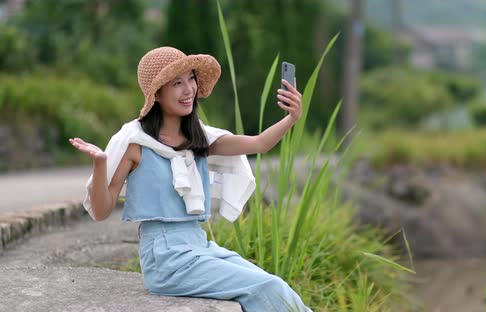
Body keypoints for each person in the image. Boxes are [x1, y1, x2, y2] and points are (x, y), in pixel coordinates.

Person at [69, 46, 312, 312]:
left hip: (201, 246)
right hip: (165, 258)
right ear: (157, 93)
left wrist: (292, 118)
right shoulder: (135, 141)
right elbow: (102, 211)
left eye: (191, 79)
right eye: (177, 83)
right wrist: (100, 164)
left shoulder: (200, 138)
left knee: (276, 284)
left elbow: (259, 144)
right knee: (268, 288)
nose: (189, 90)